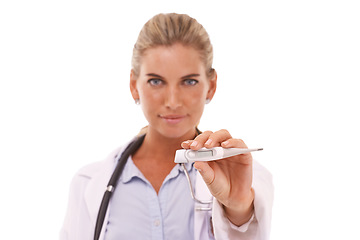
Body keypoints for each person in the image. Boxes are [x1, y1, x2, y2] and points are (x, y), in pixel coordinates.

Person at [60, 13, 273, 240]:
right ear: (134, 86)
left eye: (189, 81)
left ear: (211, 86)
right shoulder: (88, 184)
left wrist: (238, 209)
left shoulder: (242, 176)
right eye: (156, 81)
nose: (172, 101)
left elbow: (250, 229)